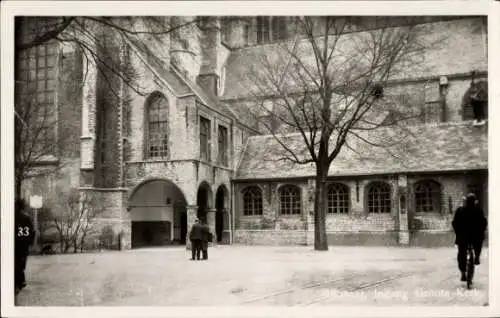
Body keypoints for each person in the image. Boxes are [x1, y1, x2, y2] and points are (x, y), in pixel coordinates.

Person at [452, 193, 487, 282]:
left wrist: (457, 233)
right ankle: (477, 257)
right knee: (478, 244)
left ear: (466, 201)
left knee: (461, 254)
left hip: (463, 237)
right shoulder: (478, 210)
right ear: (474, 201)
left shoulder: (460, 210)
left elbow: (454, 223)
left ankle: (463, 273)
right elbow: (483, 223)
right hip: (475, 237)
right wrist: (482, 232)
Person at [15, 198, 35, 295]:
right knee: (20, 263)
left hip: (16, 244)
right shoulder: (25, 217)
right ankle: (20, 281)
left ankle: (19, 282)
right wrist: (29, 242)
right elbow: (32, 232)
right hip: (22, 245)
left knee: (16, 263)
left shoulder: (10, 216)